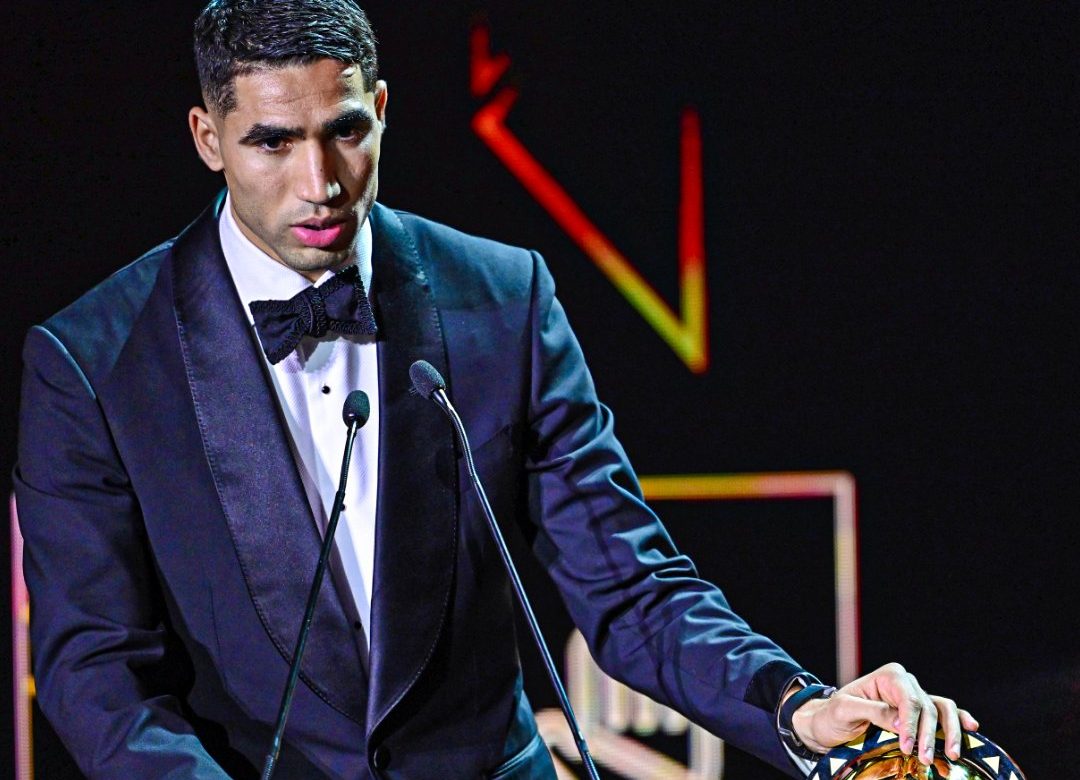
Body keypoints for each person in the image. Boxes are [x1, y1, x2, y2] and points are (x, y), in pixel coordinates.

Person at [14, 1, 977, 778]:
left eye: (344, 131)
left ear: (380, 108)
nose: (320, 181)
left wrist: (797, 705)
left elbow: (629, 586)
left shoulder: (503, 300)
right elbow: (95, 670)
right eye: (272, 142)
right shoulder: (91, 362)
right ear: (208, 137)